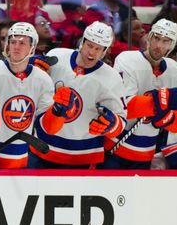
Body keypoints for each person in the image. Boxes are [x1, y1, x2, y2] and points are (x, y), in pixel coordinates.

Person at [29, 22, 126, 168]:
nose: (91, 52)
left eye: (98, 49)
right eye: (89, 45)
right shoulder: (56, 57)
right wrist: (31, 70)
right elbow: (35, 91)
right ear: (82, 42)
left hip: (82, 156)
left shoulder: (112, 78)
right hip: (42, 146)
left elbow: (121, 120)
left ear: (105, 51)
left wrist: (111, 124)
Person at [106, 19, 177, 169]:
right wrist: (162, 100)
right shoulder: (127, 59)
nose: (159, 45)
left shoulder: (175, 71)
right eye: (156, 38)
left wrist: (166, 118)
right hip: (115, 147)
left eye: (166, 41)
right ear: (149, 37)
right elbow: (123, 106)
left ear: (173, 45)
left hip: (146, 153)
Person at [0, 21, 54, 168]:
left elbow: (45, 125)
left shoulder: (42, 80)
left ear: (32, 47)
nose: (16, 47)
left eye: (22, 43)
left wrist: (58, 113)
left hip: (21, 158)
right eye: (13, 42)